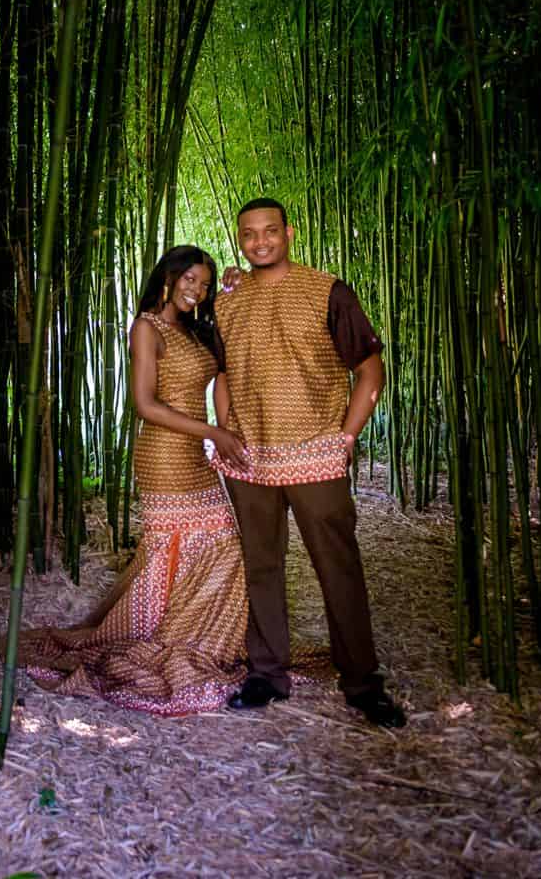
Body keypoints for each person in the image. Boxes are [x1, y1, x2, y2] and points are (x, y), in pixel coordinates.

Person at [16, 245, 251, 716]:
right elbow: (145, 404)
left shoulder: (196, 329)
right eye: (190, 280)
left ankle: (196, 637)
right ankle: (170, 637)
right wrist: (213, 433)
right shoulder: (147, 328)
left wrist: (235, 289)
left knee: (220, 546)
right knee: (179, 550)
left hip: (192, 451)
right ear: (168, 277)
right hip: (163, 453)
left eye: (204, 285)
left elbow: (227, 365)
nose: (197, 290)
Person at [213, 197, 407, 728]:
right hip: (250, 457)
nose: (260, 242)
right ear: (239, 239)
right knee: (261, 566)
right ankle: (266, 674)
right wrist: (226, 428)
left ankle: (362, 683)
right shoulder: (227, 302)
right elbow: (223, 373)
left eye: (269, 231)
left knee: (337, 567)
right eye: (249, 234)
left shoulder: (328, 291)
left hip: (316, 454)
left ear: (289, 233)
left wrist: (347, 437)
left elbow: (370, 370)